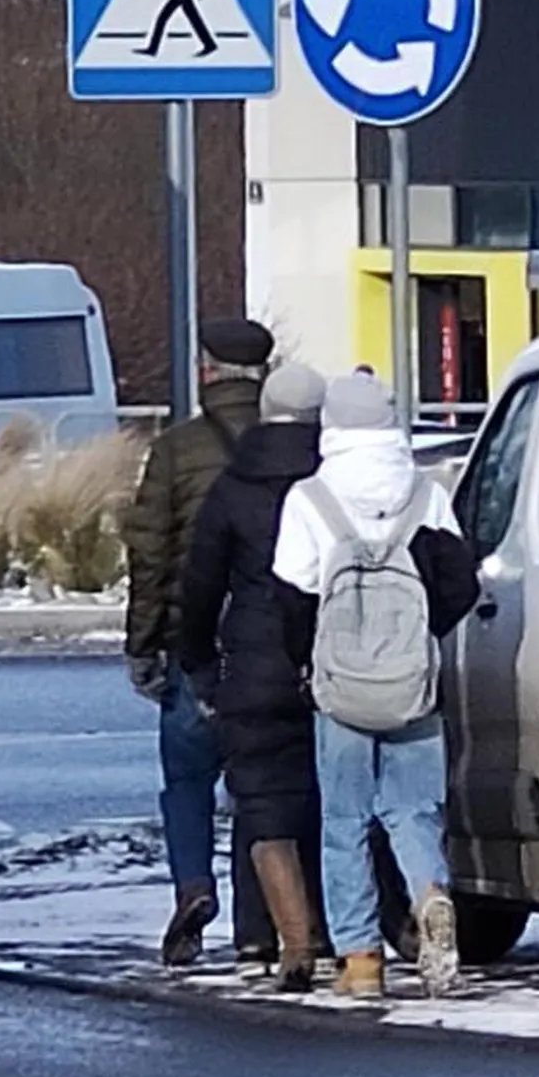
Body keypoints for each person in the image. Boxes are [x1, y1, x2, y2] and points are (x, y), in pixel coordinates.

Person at [271, 372, 476, 1001]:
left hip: (341, 687)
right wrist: (420, 641)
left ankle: (360, 961)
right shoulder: (425, 493)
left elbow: (291, 595)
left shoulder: (310, 498)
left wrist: (309, 664)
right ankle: (430, 894)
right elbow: (460, 584)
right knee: (415, 811)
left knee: (344, 821)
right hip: (412, 683)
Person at [122, 315, 274, 968]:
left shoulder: (175, 450)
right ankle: (257, 924)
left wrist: (143, 641)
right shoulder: (292, 445)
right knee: (260, 786)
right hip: (271, 642)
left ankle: (192, 886)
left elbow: (150, 553)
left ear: (206, 370)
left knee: (187, 778)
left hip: (195, 640)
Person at [177, 362, 328, 993]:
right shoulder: (333, 479)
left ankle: (259, 937)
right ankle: (329, 929)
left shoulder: (234, 487)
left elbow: (201, 584)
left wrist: (199, 661)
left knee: (260, 802)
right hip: (330, 656)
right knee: (326, 797)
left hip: (253, 660)